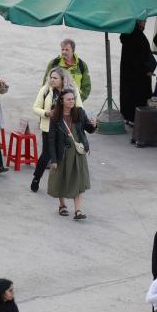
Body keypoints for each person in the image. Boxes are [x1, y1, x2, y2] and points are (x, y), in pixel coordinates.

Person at [47, 89, 96, 220]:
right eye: (69, 99)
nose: (72, 101)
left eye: (73, 99)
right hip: (62, 153)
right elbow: (51, 139)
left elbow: (89, 129)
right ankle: (62, 205)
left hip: (77, 154)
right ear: (62, 101)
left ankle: (78, 211)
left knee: (78, 181)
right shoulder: (55, 116)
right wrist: (53, 160)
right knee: (60, 179)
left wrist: (94, 125)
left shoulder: (79, 112)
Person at [31, 68, 82, 192]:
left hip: (66, 129)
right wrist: (46, 113)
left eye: (55, 78)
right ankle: (36, 178)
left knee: (64, 156)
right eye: (51, 77)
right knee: (47, 155)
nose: (52, 80)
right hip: (49, 128)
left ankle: (63, 183)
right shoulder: (46, 90)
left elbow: (79, 108)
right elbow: (35, 107)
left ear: (63, 80)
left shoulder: (72, 91)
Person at [120, 19, 157, 123]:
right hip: (139, 75)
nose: (145, 23)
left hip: (129, 73)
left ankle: (128, 117)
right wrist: (147, 70)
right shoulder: (138, 36)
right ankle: (135, 119)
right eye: (143, 21)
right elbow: (140, 58)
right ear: (137, 21)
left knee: (128, 96)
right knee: (138, 98)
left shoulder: (127, 33)